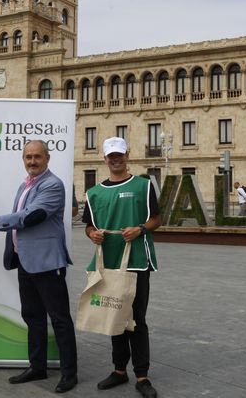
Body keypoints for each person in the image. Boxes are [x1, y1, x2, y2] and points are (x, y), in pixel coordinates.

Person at [0, 140, 77, 394]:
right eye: (28, 157)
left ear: (47, 158)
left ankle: (69, 373)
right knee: (33, 318)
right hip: (26, 262)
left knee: (60, 320)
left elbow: (33, 216)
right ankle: (38, 366)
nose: (32, 161)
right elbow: (22, 215)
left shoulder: (53, 185)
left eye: (37, 157)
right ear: (23, 159)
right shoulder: (26, 184)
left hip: (47, 263)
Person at [84, 136, 160, 398]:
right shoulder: (93, 193)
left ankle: (142, 375)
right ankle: (119, 370)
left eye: (120, 154)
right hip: (109, 262)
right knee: (114, 315)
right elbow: (89, 225)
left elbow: (156, 219)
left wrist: (140, 229)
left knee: (137, 319)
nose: (116, 159)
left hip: (137, 261)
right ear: (104, 159)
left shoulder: (143, 186)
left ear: (127, 155)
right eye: (111, 156)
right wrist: (92, 234)